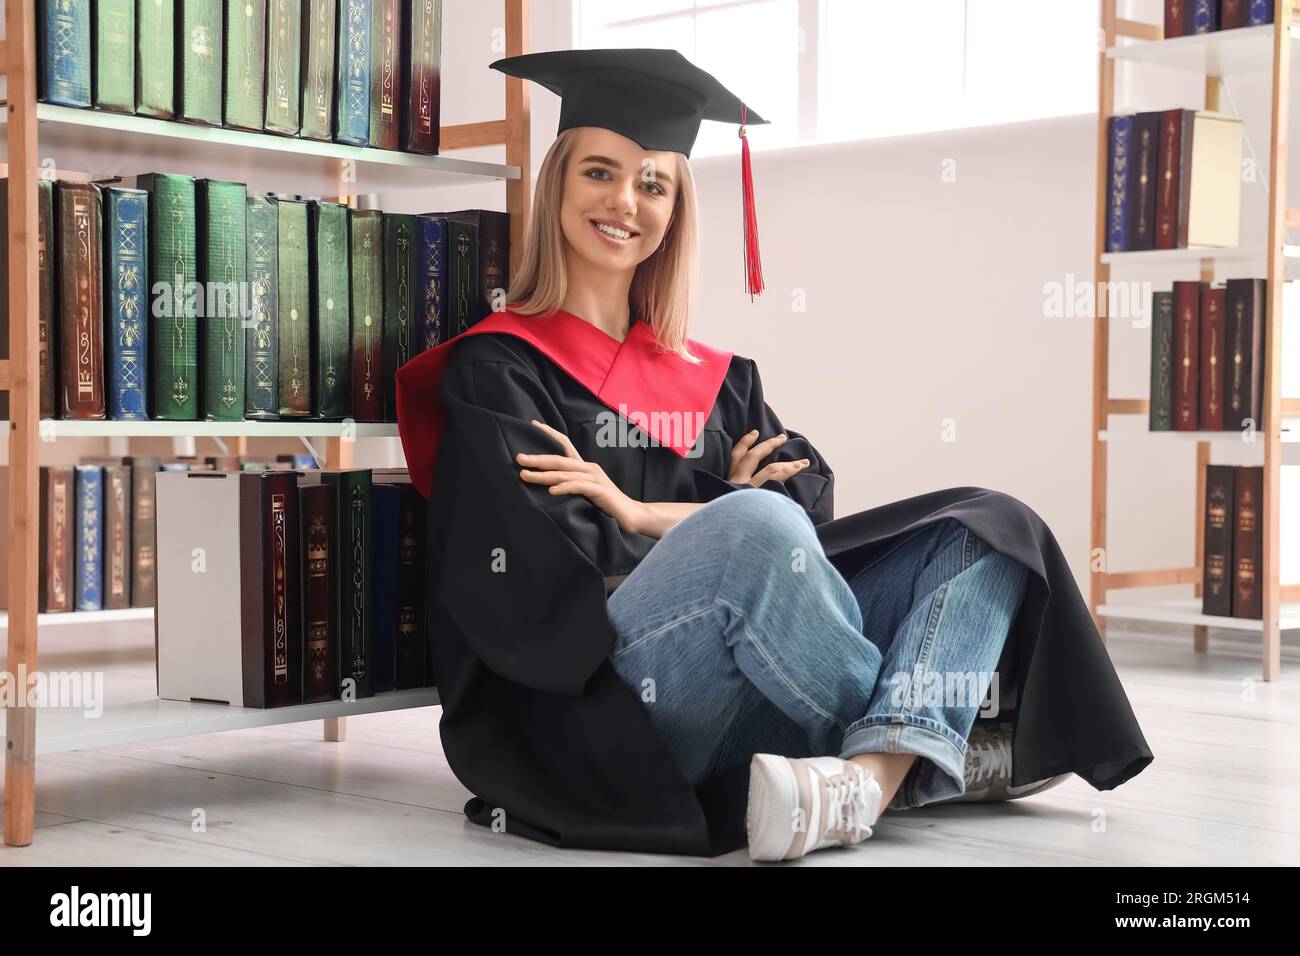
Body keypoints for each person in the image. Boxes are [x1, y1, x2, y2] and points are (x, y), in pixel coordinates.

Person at [395, 48, 1153, 862]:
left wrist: (646, 510)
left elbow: (810, 534)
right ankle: (935, 753)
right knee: (754, 521)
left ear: (677, 209)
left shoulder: (718, 380)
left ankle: (864, 782)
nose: (625, 202)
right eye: (600, 173)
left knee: (990, 527)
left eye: (653, 184)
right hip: (618, 709)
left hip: (767, 683)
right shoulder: (499, 371)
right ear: (557, 186)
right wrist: (726, 520)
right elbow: (551, 567)